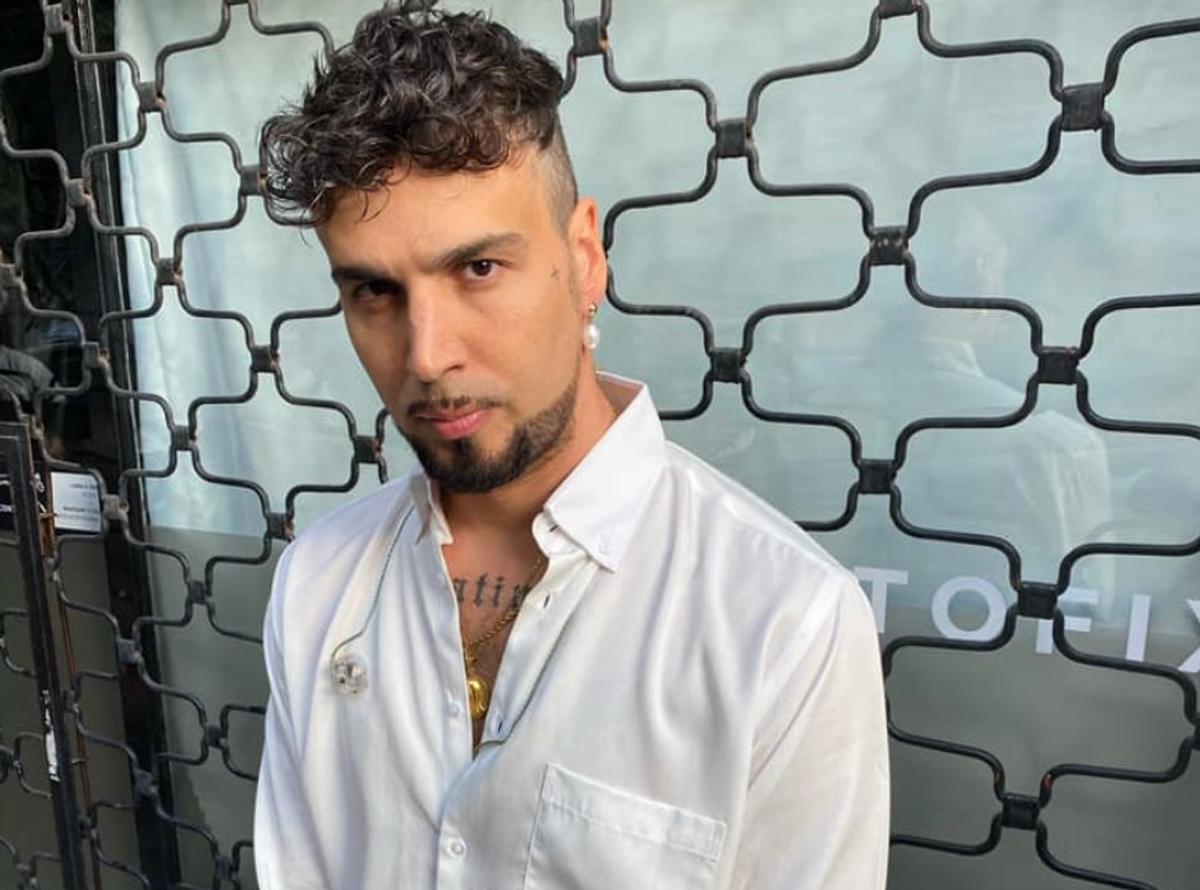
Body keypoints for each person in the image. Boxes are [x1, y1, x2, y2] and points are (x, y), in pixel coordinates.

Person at [254, 6, 888, 889]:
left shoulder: (782, 623)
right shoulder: (319, 583)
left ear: (584, 257)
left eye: (478, 269)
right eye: (374, 291)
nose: (427, 355)